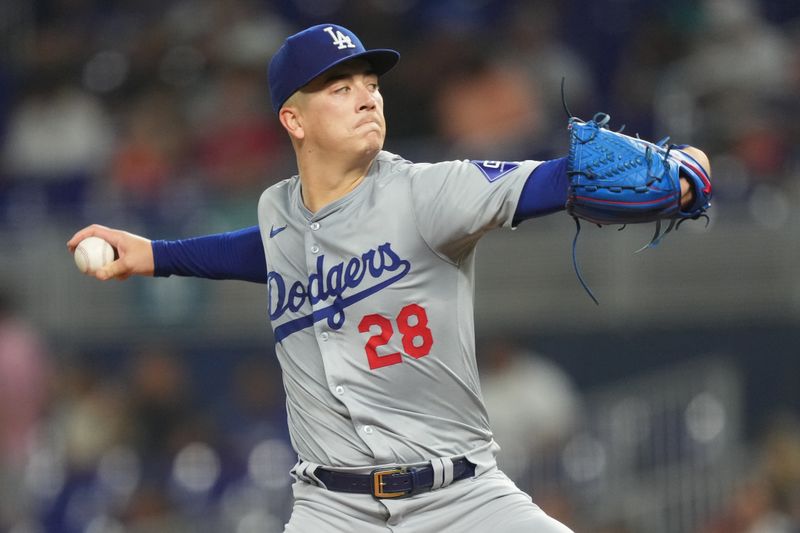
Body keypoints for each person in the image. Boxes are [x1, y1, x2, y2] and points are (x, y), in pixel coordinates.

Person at [68, 24, 711, 532]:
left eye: (368, 81)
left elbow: (549, 179)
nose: (367, 94)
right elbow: (261, 250)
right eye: (339, 87)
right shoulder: (276, 212)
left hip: (461, 500)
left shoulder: (429, 193)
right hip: (331, 510)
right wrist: (155, 254)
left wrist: (675, 166)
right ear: (293, 120)